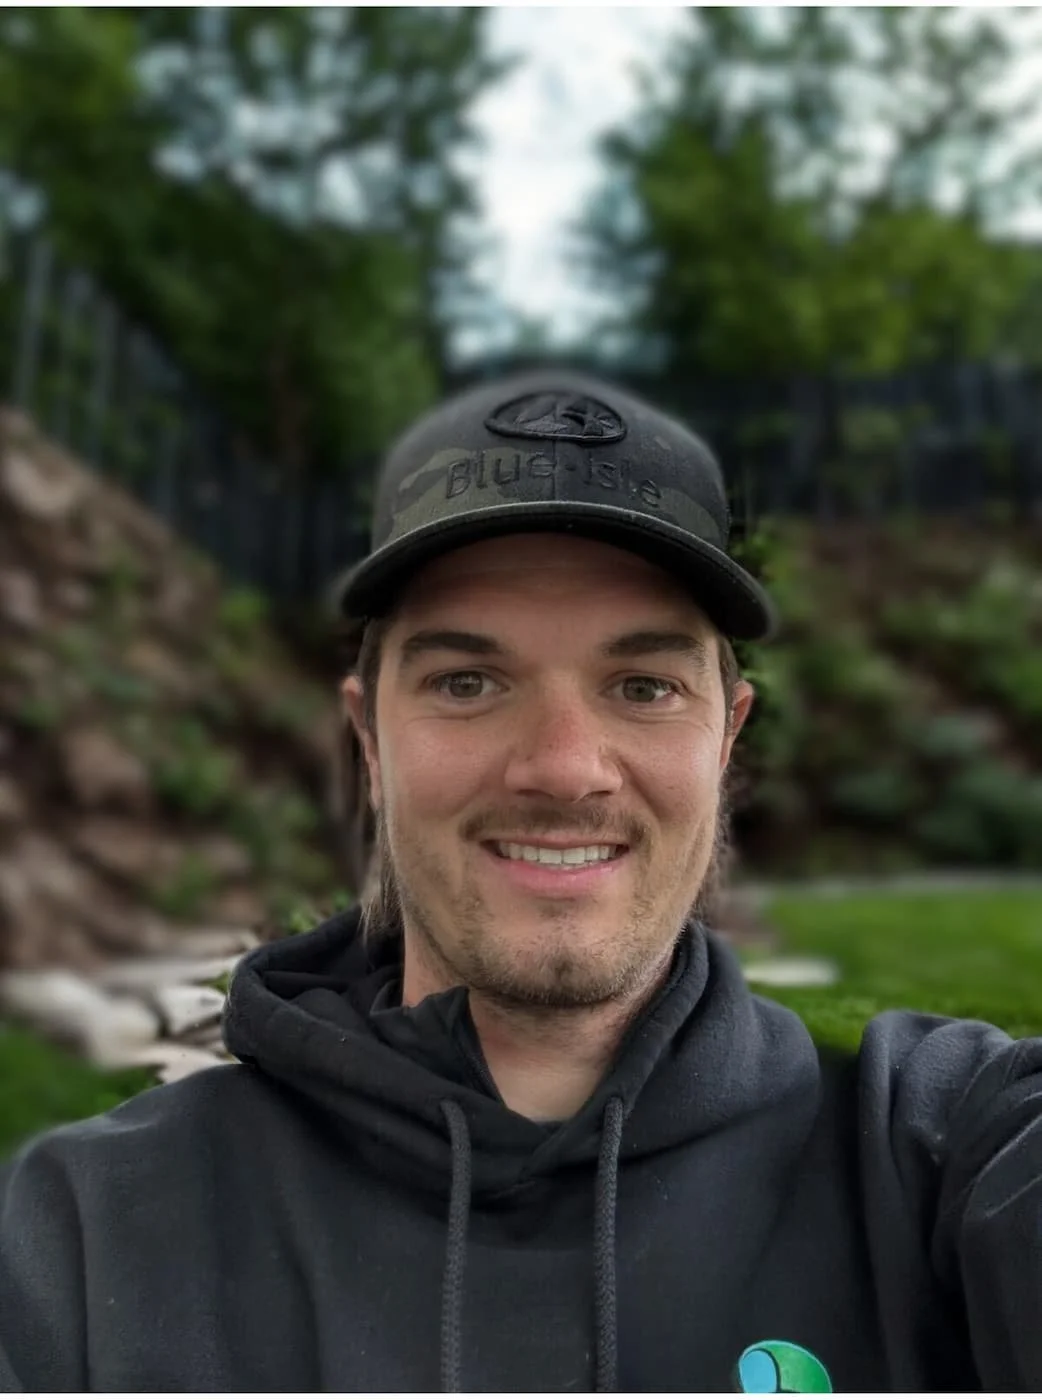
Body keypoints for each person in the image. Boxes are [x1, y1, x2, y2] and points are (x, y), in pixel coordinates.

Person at [1, 370, 1040, 1395]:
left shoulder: (937, 1152)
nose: (562, 763)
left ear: (725, 735)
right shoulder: (82, 1232)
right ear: (369, 736)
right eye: (467, 681)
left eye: (642, 685)